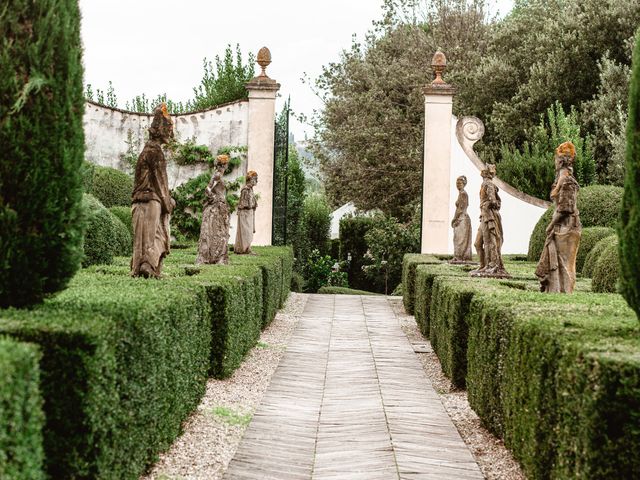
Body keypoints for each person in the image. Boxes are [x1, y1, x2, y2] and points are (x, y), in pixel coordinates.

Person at [131, 103, 175, 278]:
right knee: (154, 239)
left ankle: (146, 269)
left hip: (144, 201)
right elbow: (161, 185)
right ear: (160, 130)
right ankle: (148, 267)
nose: (170, 134)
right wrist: (169, 204)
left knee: (145, 240)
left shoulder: (148, 151)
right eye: (168, 129)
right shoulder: (155, 152)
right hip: (150, 202)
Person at [535, 142, 582, 293]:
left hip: (568, 226)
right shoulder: (562, 180)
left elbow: (565, 209)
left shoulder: (568, 181)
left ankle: (564, 293)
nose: (554, 162)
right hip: (562, 226)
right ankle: (556, 292)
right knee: (560, 263)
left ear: (561, 161)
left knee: (565, 265)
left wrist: (550, 225)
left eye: (556, 159)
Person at [471, 164, 509, 278]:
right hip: (484, 216)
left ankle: (491, 265)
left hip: (489, 216)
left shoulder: (489, 184)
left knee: (489, 241)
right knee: (478, 243)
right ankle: (483, 265)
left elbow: (494, 201)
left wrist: (487, 204)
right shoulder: (485, 184)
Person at [196, 154, 230, 264]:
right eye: (226, 164)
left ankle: (216, 256)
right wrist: (214, 198)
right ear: (223, 165)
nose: (226, 166)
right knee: (217, 232)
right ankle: (215, 257)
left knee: (218, 232)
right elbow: (207, 189)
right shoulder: (217, 176)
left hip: (220, 207)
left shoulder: (218, 175)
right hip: (216, 207)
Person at [234, 171, 258, 254]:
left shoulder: (250, 189)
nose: (256, 181)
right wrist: (250, 206)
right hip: (245, 213)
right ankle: (244, 249)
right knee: (245, 231)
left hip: (249, 213)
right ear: (250, 179)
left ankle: (246, 248)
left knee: (248, 231)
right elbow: (243, 203)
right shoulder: (245, 190)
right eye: (255, 179)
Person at [451, 175, 472, 263]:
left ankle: (460, 257)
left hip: (462, 219)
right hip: (461, 218)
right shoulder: (461, 193)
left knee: (460, 239)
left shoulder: (463, 194)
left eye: (460, 183)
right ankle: (458, 257)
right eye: (457, 183)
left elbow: (461, 209)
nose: (458, 185)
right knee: (457, 238)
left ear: (464, 184)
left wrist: (454, 219)